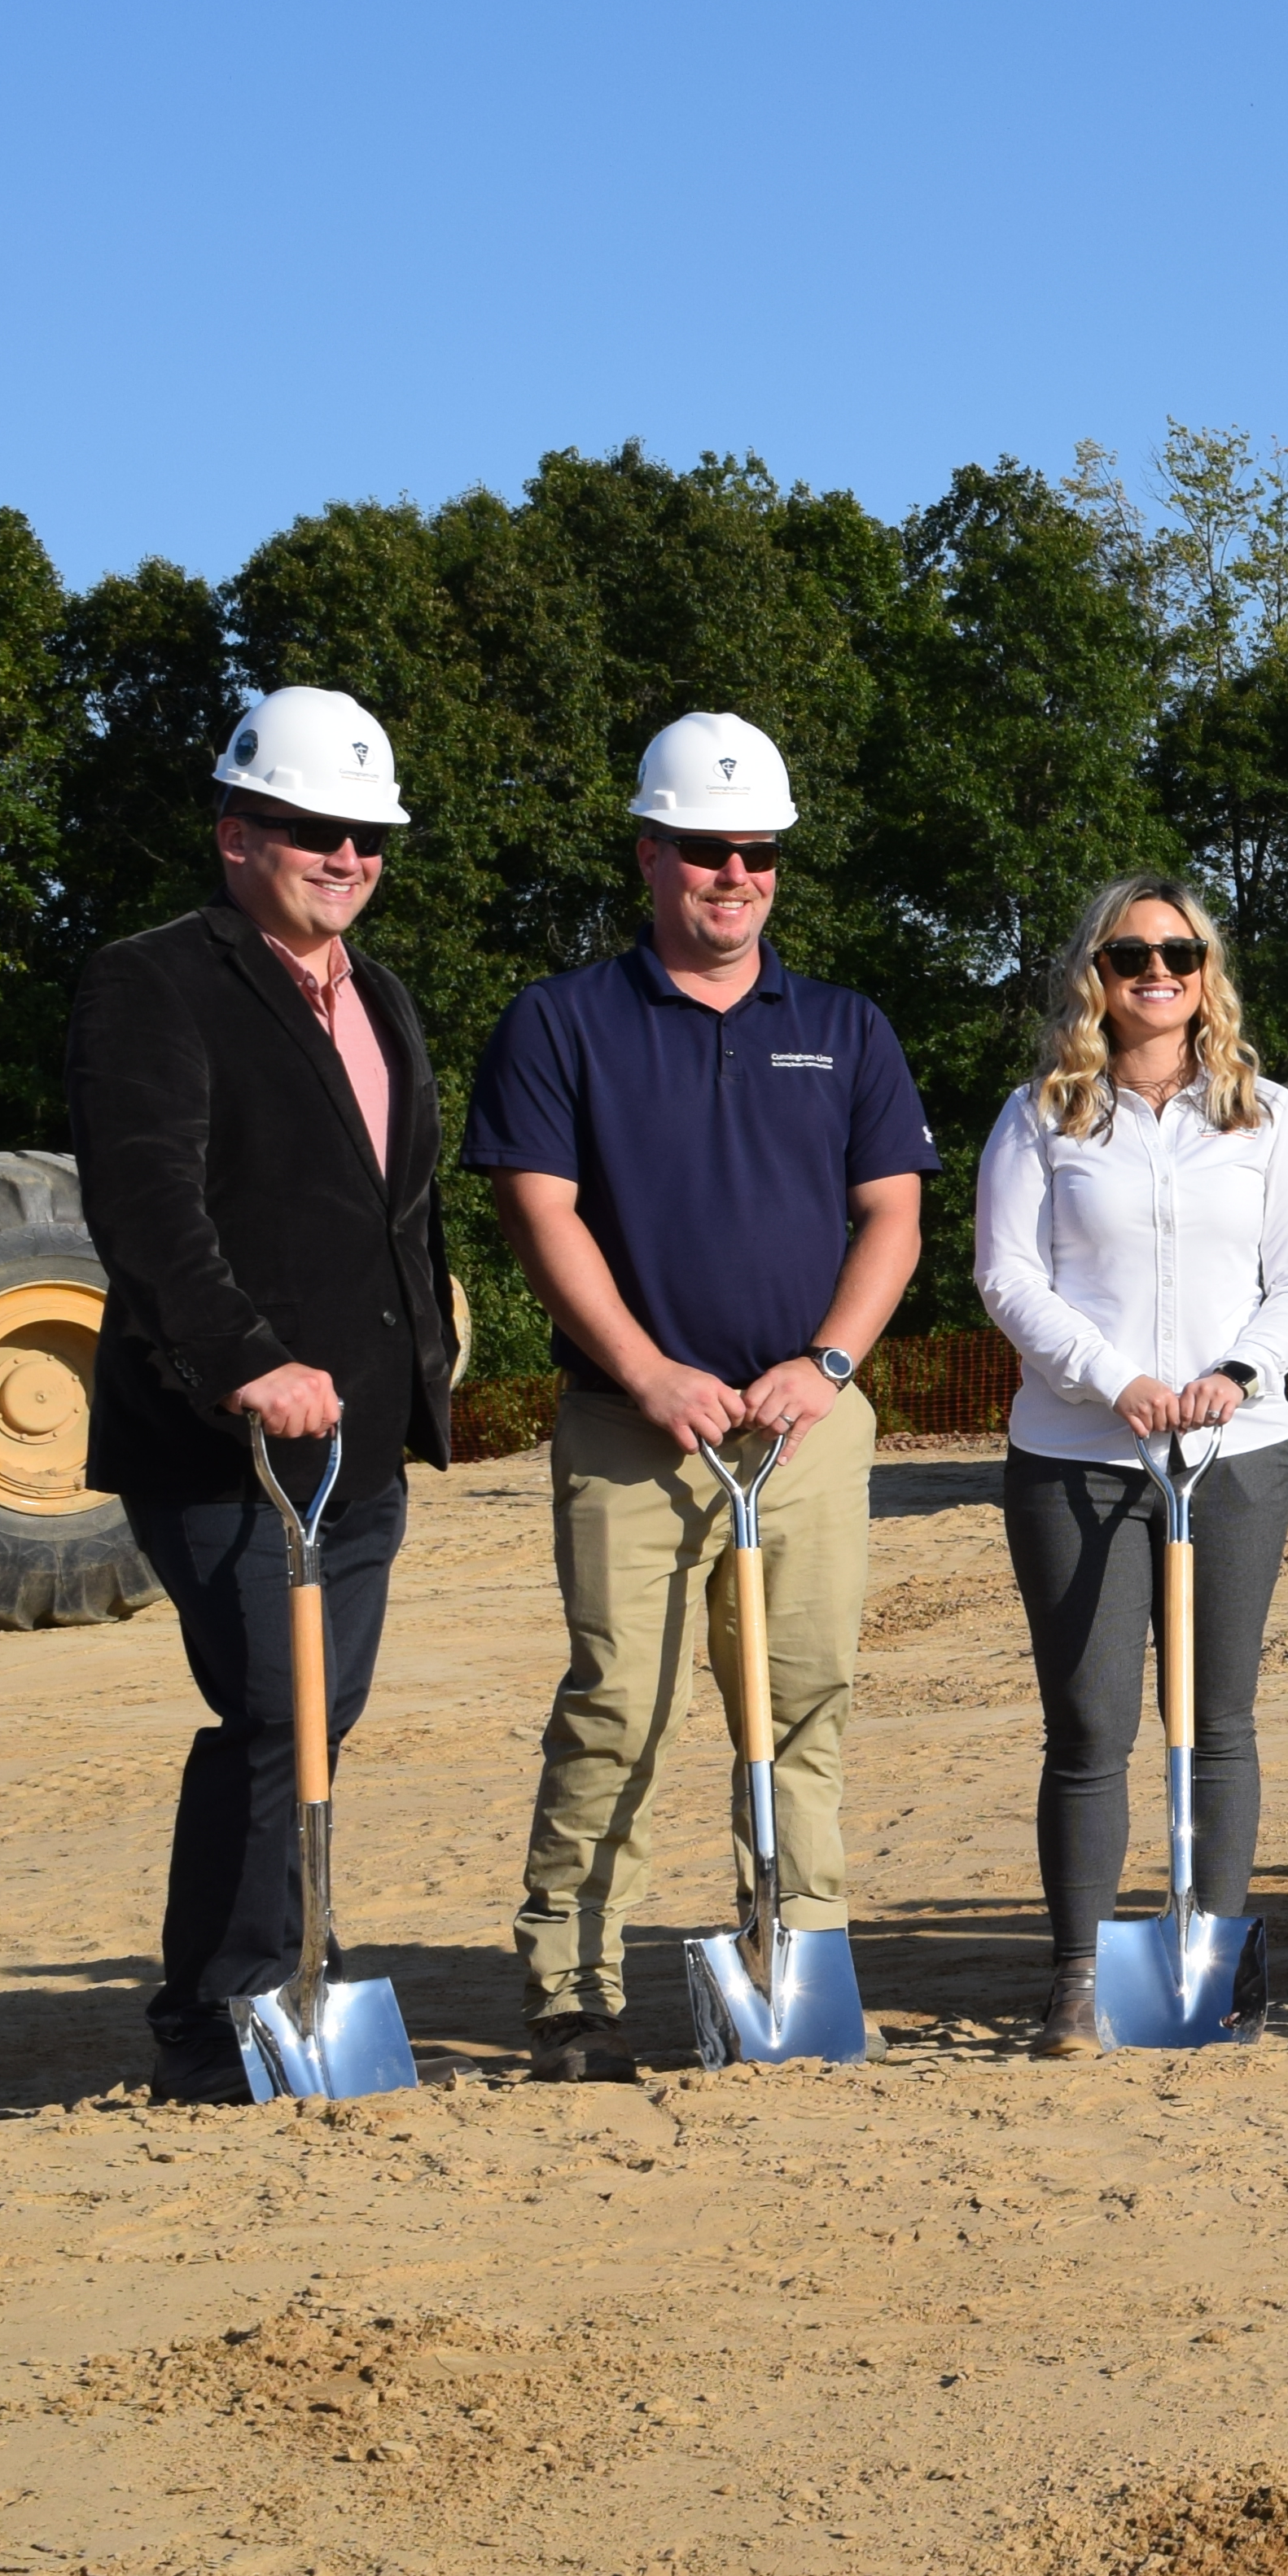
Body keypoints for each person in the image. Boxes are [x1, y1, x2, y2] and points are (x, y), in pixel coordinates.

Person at [462, 713, 934, 2082]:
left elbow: (892, 1218)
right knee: (622, 1702)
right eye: (706, 851)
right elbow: (537, 1212)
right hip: (632, 1428)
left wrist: (828, 1365)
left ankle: (801, 1952)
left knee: (802, 1701)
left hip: (807, 1431)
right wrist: (648, 1368)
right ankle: (572, 1989)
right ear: (649, 854)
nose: (736, 876)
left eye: (760, 855)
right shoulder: (563, 1023)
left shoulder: (844, 1025)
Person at [66, 689, 456, 2105]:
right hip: (224, 1437)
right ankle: (227, 2011)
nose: (345, 855)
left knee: (310, 1714)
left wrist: (428, 1348)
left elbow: (390, 1206)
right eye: (313, 830)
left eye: (366, 835)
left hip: (361, 1444)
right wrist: (242, 1359)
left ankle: (258, 1972)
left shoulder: (383, 996)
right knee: (276, 1711)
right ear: (238, 834)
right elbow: (148, 1198)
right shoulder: (152, 979)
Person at [973, 874, 1288, 2053]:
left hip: (1232, 1452)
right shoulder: (1044, 1116)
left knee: (1217, 1718)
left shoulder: (1264, 1115)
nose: (1158, 975)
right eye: (1132, 956)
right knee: (1089, 1725)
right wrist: (1107, 1377)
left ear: (1207, 970)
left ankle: (1209, 1949)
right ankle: (1077, 1977)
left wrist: (1240, 1372)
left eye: (1179, 954)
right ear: (1098, 973)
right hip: (1080, 1454)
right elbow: (1008, 1275)